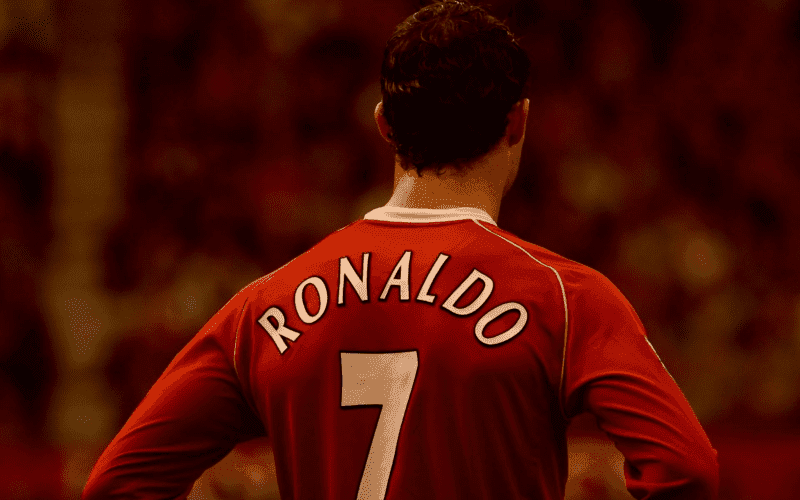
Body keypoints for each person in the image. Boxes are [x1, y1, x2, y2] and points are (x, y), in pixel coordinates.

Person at [82, 1, 719, 499]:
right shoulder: (565, 299)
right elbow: (686, 470)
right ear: (518, 121)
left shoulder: (263, 308)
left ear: (383, 122)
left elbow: (118, 484)